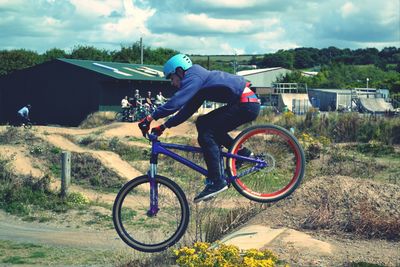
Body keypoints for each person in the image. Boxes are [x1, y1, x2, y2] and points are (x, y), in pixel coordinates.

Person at [139, 54, 260, 203]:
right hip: (245, 103)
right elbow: (186, 111)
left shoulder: (194, 76)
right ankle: (242, 153)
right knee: (203, 124)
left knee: (206, 130)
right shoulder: (198, 82)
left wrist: (151, 117)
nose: (172, 83)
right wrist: (164, 126)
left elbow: (176, 102)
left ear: (179, 71)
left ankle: (217, 181)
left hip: (246, 103)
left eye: (171, 78)